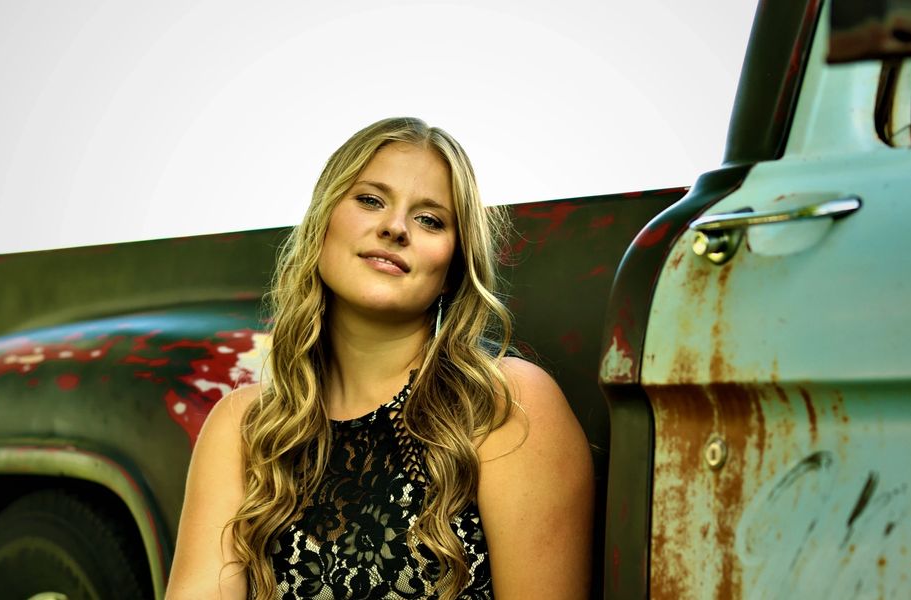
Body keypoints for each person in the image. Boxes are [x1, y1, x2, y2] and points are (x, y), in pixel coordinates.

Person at [167, 117, 593, 599]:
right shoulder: (244, 427)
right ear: (322, 223)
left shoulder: (503, 405)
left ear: (453, 269)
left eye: (430, 219)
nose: (394, 228)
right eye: (370, 200)